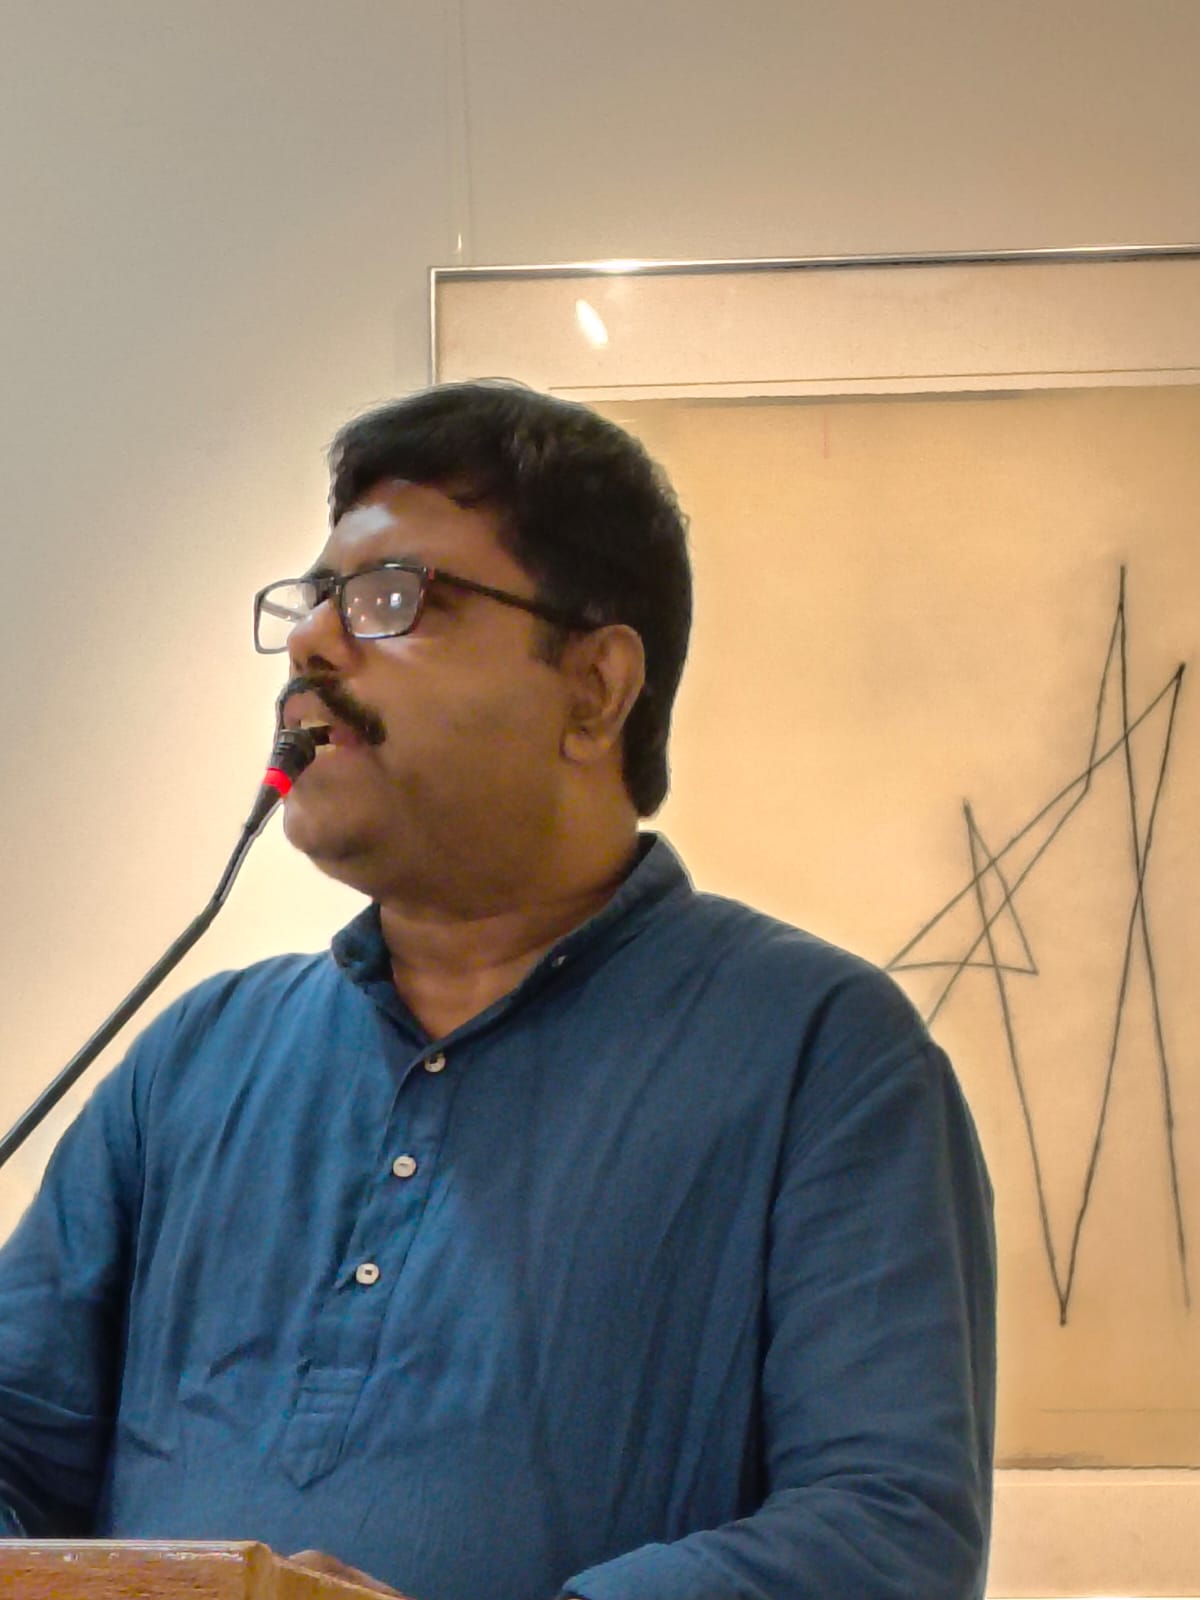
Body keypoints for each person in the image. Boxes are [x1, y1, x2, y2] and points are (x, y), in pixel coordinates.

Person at [0, 381, 995, 1600]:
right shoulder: (198, 1055)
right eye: (315, 599)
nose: (314, 644)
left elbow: (885, 1533)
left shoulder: (821, 1054)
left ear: (595, 688)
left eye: (393, 598)